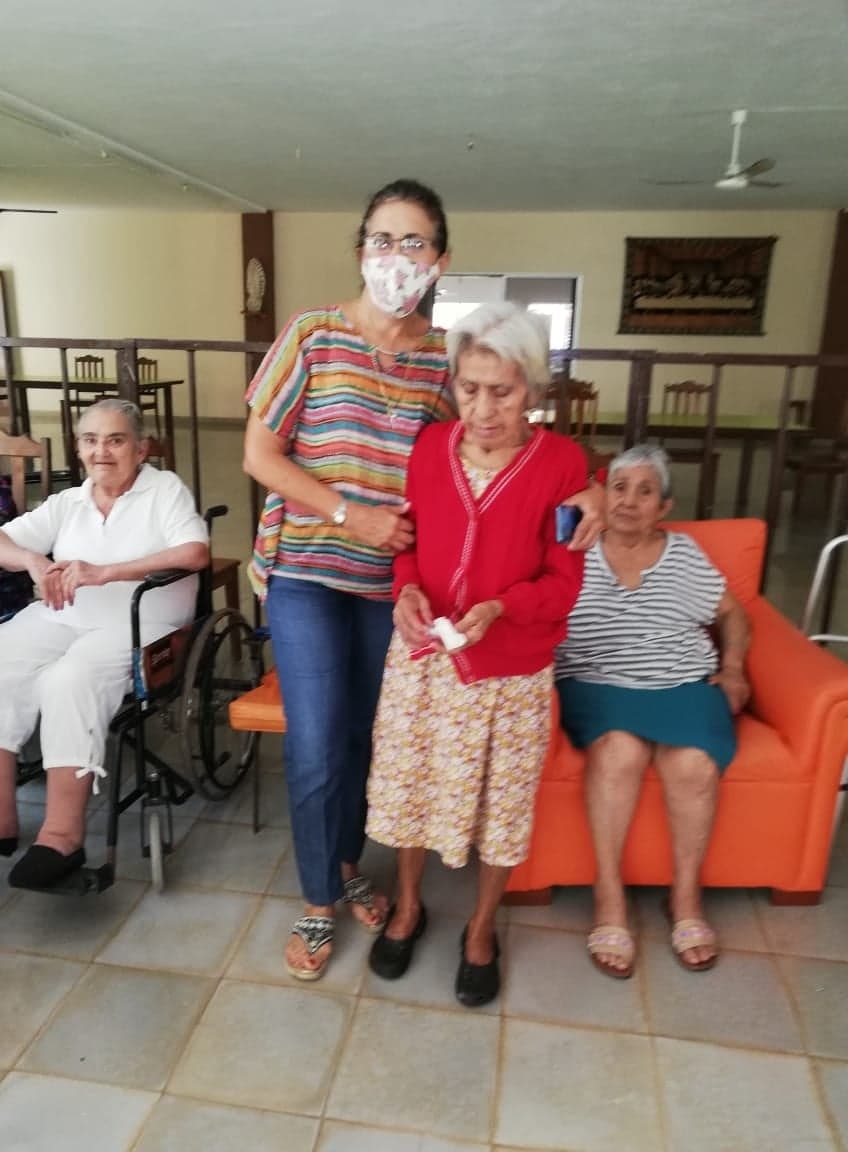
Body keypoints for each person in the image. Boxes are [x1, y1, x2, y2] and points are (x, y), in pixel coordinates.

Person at [242, 179, 602, 982]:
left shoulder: (445, 361)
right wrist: (348, 514)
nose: (394, 258)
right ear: (361, 247)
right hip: (308, 568)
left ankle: (345, 866)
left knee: (370, 743)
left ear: (440, 259)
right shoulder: (310, 335)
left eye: (413, 244)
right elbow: (259, 456)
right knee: (313, 746)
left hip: (397, 593)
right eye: (380, 240)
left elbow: (490, 452)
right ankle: (316, 899)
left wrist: (591, 488)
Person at [365, 302, 588, 1007]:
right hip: (426, 657)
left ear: (533, 389)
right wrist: (404, 593)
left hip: (511, 668)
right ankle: (407, 906)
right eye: (469, 387)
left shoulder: (563, 465)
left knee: (501, 803)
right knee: (409, 790)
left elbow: (564, 582)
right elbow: (411, 544)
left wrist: (503, 608)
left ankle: (482, 929)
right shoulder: (430, 448)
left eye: (503, 390)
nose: (484, 408)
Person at [0, 399, 209, 889]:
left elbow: (194, 551)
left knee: (70, 679)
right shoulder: (70, 501)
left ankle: (62, 835)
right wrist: (33, 563)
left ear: (140, 448)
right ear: (78, 447)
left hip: (144, 620)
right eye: (90, 440)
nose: (101, 451)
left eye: (115, 440)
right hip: (65, 615)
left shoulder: (163, 490)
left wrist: (105, 573)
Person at [554, 444, 750, 978]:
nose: (629, 501)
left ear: (664, 507)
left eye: (645, 492)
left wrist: (732, 668)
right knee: (618, 751)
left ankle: (684, 898)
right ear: (603, 494)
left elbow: (733, 615)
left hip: (683, 680)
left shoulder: (684, 554)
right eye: (619, 487)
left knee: (693, 763)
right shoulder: (573, 546)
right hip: (596, 681)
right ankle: (609, 896)